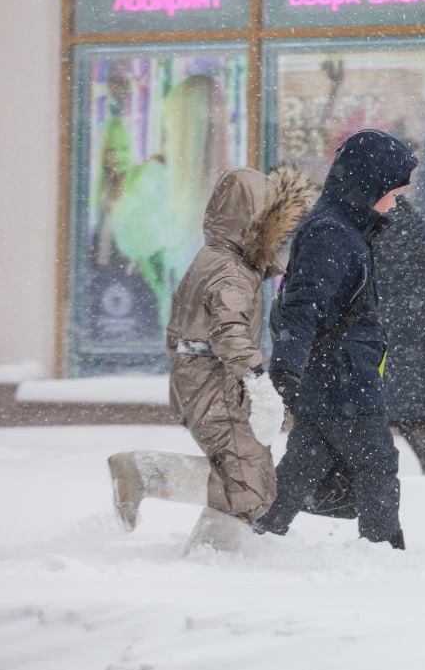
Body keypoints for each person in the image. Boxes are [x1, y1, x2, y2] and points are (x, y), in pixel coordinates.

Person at [107, 165, 316, 552]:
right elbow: (229, 332)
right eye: (274, 223)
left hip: (203, 378)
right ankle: (207, 554)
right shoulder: (230, 270)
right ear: (254, 221)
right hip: (213, 381)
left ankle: (201, 541)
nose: (280, 236)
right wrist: (259, 384)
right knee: (248, 482)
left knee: (248, 477)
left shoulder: (220, 258)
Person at [253, 129, 417, 549]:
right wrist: (287, 369)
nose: (396, 202)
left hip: (336, 375)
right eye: (392, 192)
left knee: (302, 465)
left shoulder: (346, 227)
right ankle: (384, 549)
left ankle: (259, 534)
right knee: (377, 465)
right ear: (368, 184)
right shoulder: (332, 232)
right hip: (342, 379)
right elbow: (303, 305)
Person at [373, 193, 425, 474]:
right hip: (412, 324)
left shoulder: (379, 220)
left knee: (378, 402)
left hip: (390, 324)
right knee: (406, 407)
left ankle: (377, 471)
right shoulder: (409, 217)